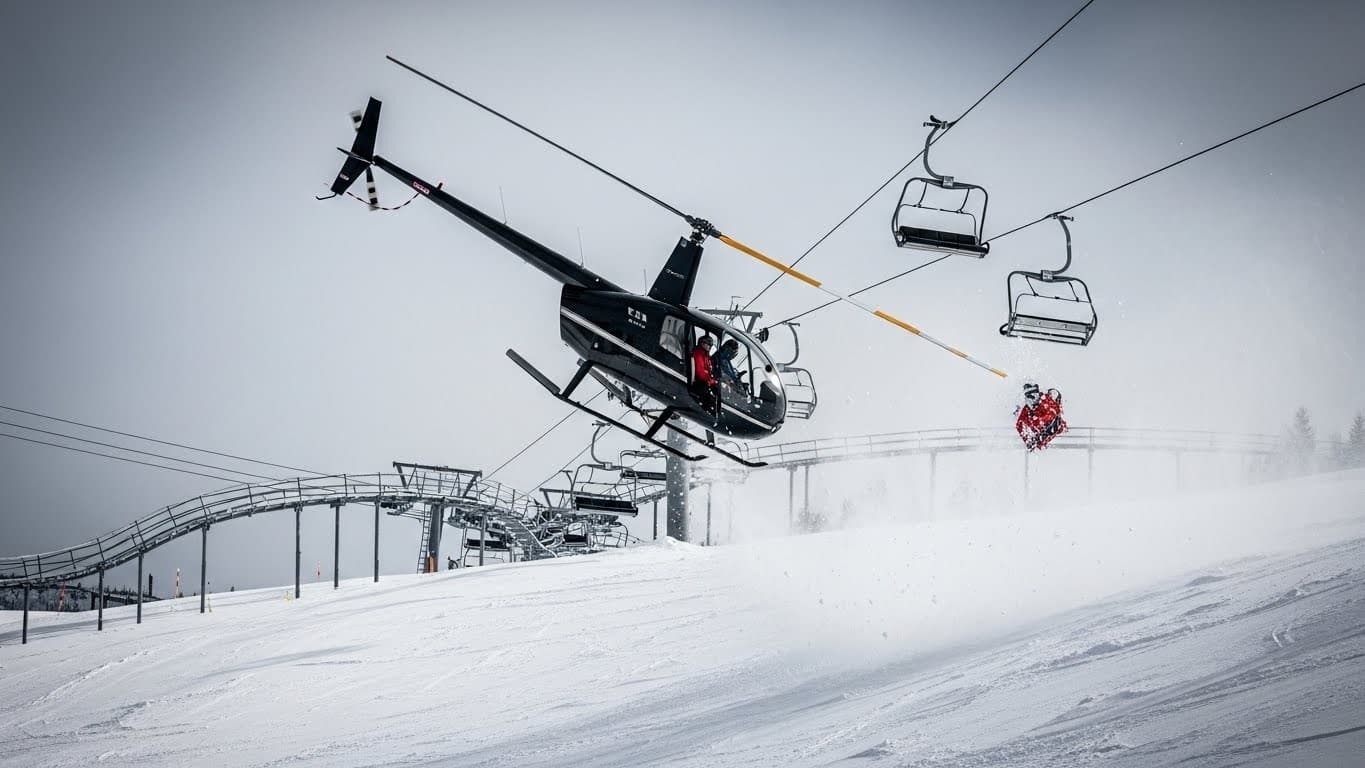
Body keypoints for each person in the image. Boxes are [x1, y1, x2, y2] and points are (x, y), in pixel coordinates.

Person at [1015, 381, 1066, 451]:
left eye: (1033, 396)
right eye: (1028, 396)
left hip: (1053, 427)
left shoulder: (1046, 401)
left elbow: (1053, 415)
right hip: (1040, 432)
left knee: (1053, 424)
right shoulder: (1027, 409)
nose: (1031, 399)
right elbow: (1019, 424)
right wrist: (1027, 440)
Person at [690, 335, 719, 414]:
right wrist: (712, 381)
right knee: (711, 398)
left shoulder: (705, 355)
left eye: (711, 344)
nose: (710, 346)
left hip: (705, 381)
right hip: (700, 383)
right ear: (702, 343)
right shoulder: (698, 353)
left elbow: (708, 369)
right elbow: (701, 373)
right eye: (708, 344)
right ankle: (710, 412)